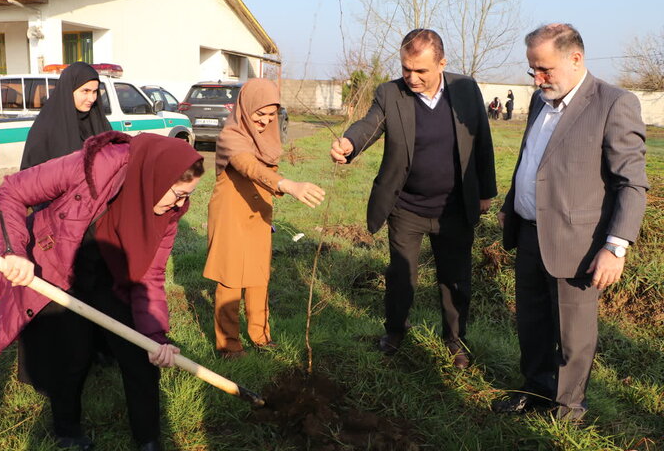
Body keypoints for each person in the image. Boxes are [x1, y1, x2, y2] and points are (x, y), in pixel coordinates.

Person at [0, 131, 204, 451]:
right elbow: (12, 190)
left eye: (188, 195)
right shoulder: (96, 166)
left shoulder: (168, 214)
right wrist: (14, 251)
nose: (181, 204)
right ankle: (67, 429)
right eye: (178, 194)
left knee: (140, 357)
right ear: (155, 178)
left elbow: (151, 277)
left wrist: (155, 337)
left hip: (109, 279)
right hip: (60, 267)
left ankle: (148, 439)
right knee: (72, 353)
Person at [494, 23, 648, 421]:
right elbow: (533, 162)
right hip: (529, 234)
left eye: (545, 69)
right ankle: (536, 390)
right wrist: (513, 204)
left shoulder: (614, 103)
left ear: (575, 59)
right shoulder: (540, 101)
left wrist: (615, 247)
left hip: (579, 243)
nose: (537, 78)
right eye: (532, 70)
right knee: (531, 323)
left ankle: (568, 410)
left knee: (573, 335)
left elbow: (631, 184)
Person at [330, 29, 497, 369]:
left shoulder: (465, 90)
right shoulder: (391, 93)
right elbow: (368, 125)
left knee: (455, 279)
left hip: (454, 207)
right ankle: (395, 330)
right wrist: (349, 144)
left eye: (421, 70)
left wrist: (486, 192)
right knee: (401, 276)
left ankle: (454, 339)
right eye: (406, 68)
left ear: (442, 63)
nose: (412, 77)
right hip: (406, 207)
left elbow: (482, 141)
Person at [203, 78, 325, 359]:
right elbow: (248, 166)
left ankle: (261, 337)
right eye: (259, 115)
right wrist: (288, 185)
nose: (265, 122)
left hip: (258, 214)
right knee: (231, 280)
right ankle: (228, 345)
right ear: (245, 109)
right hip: (230, 215)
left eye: (271, 116)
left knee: (259, 277)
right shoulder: (230, 136)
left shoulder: (267, 136)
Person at [21, 61, 111, 170]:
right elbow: (30, 176)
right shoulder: (45, 129)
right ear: (69, 90)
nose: (92, 98)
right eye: (85, 91)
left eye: (95, 91)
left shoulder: (98, 122)